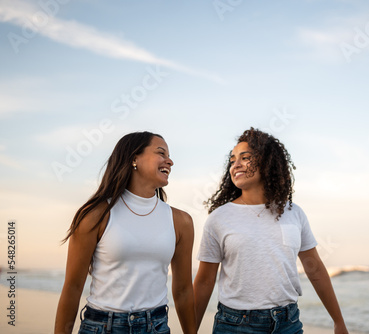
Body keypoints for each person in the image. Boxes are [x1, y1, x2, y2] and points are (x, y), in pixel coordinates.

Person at [194, 127, 349, 333]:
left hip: (288, 323)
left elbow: (315, 268)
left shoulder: (293, 213)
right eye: (232, 160)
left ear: (267, 162)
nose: (235, 165)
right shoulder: (219, 218)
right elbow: (205, 281)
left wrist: (338, 321)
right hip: (235, 325)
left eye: (245, 157)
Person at [55, 131, 196, 334]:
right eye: (161, 153)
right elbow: (73, 288)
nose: (170, 161)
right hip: (102, 327)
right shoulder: (96, 216)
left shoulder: (181, 221)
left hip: (156, 327)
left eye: (169, 155)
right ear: (134, 159)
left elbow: (183, 291)